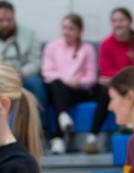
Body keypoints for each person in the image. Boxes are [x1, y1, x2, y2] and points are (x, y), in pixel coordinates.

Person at [85, 7, 134, 154]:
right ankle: (93, 136)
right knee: (106, 90)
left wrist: (120, 76)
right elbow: (106, 71)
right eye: (114, 21)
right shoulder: (106, 44)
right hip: (115, 84)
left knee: (132, 88)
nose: (117, 24)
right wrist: (124, 74)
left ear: (129, 22)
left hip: (132, 82)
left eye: (121, 20)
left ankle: (131, 125)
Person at [41, 14, 98, 155]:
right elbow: (47, 71)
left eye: (71, 29)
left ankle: (58, 137)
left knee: (58, 93)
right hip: (57, 86)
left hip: (78, 90)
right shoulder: (52, 46)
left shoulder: (87, 49)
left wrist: (79, 82)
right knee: (56, 86)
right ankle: (63, 118)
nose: (67, 31)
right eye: (65, 28)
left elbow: (91, 76)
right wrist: (65, 81)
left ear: (79, 32)